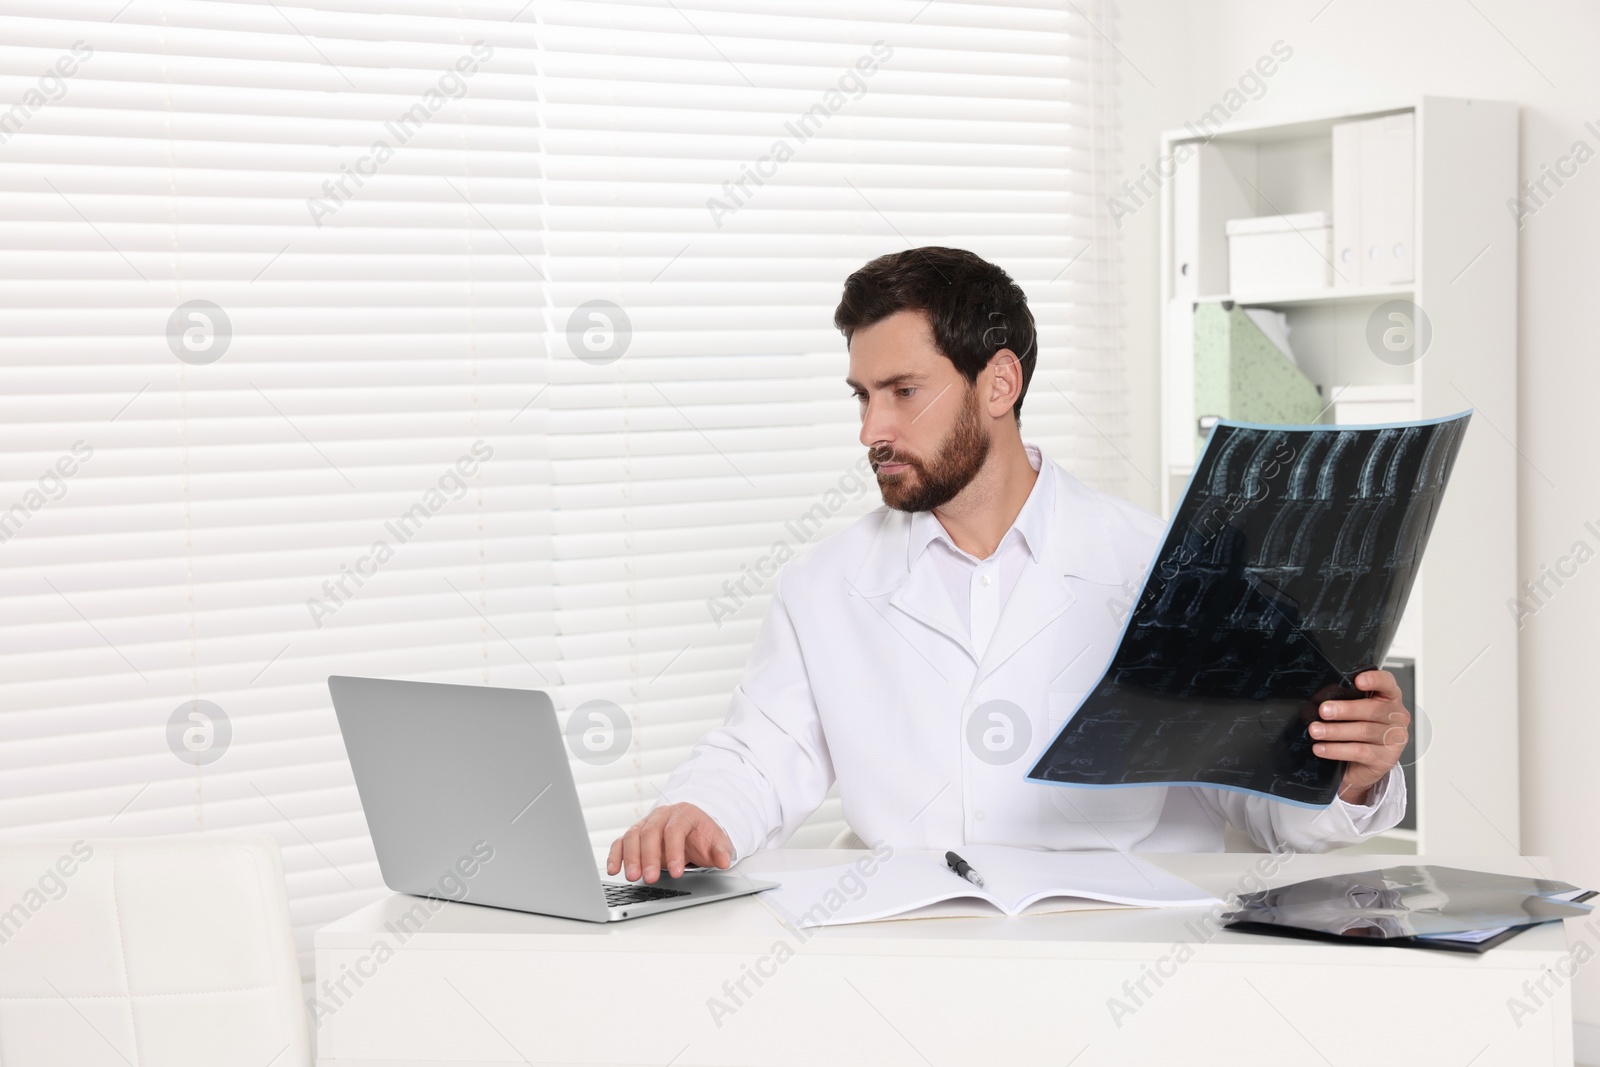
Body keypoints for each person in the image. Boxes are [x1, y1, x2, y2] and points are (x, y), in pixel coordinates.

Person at [608, 247, 1410, 885]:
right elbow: (759, 756)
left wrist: (1350, 775)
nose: (871, 431)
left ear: (999, 383)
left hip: (1125, 961)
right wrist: (693, 813)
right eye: (861, 395)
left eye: (902, 391)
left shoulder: (1165, 564)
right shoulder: (824, 584)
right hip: (918, 958)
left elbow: (1261, 801)